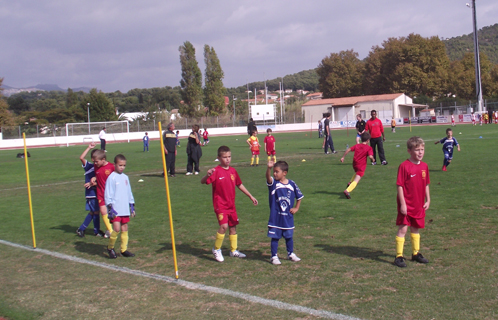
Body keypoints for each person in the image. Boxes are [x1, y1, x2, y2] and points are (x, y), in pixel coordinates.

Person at [201, 145, 258, 262]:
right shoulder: (216, 171)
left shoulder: (233, 171)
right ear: (219, 158)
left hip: (231, 205)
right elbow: (203, 182)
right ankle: (216, 249)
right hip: (220, 205)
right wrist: (207, 174)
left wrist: (250, 196)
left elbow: (239, 184)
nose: (227, 159)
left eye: (229, 156)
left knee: (233, 227)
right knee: (224, 226)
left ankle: (233, 251)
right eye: (224, 157)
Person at [394, 136, 431, 268]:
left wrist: (428, 199)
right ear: (409, 151)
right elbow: (400, 186)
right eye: (417, 150)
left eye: (422, 149)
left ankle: (415, 253)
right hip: (406, 204)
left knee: (416, 228)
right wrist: (403, 204)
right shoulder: (404, 166)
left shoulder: (424, 166)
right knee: (403, 229)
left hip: (418, 204)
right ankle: (399, 256)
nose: (420, 152)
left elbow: (426, 183)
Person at [266, 160, 303, 265]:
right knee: (275, 237)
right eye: (274, 171)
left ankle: (290, 253)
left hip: (287, 217)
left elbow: (299, 197)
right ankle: (274, 256)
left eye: (277, 172)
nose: (274, 174)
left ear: (284, 173)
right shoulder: (274, 184)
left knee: (288, 236)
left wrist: (296, 208)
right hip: (275, 217)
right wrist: (268, 168)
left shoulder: (292, 184)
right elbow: (268, 178)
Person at [105, 154, 136, 259]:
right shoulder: (111, 178)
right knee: (116, 229)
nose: (122, 167)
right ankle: (110, 247)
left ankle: (123, 249)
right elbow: (108, 194)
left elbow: (129, 192)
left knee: (125, 228)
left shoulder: (125, 177)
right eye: (120, 165)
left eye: (124, 165)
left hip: (124, 208)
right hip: (116, 209)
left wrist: (131, 206)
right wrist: (110, 208)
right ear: (115, 165)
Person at [76, 142, 104, 237]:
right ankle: (90, 230)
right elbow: (81, 158)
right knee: (95, 212)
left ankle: (88, 229)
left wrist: (94, 183)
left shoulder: (100, 168)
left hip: (98, 192)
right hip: (91, 193)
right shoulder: (90, 167)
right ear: (93, 159)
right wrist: (88, 148)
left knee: (95, 212)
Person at [340, 132, 375, 199]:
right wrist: (373, 159)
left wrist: (343, 157)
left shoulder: (357, 146)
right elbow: (370, 156)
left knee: (357, 173)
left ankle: (350, 183)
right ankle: (347, 191)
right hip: (361, 166)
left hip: (355, 164)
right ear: (368, 140)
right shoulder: (369, 148)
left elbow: (348, 149)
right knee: (357, 179)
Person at [91, 149, 115, 238]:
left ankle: (111, 229)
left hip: (110, 193)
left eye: (97, 161)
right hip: (100, 192)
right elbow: (98, 176)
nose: (95, 163)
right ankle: (110, 230)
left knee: (112, 212)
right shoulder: (96, 166)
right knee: (103, 211)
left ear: (103, 159)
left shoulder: (111, 167)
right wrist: (94, 179)